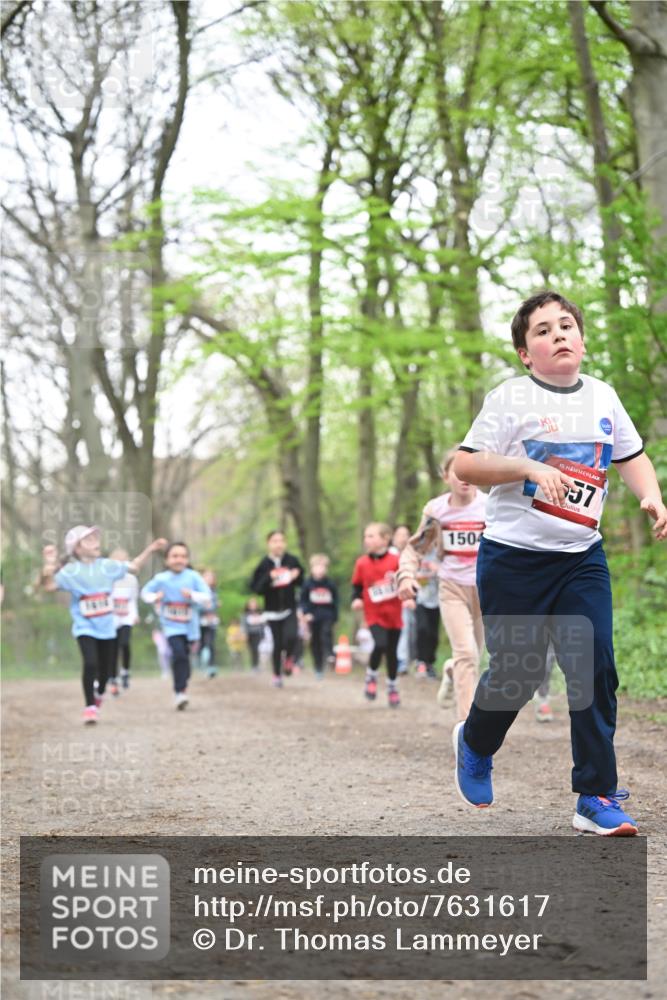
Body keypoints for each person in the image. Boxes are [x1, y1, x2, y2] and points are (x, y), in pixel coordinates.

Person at [450, 290, 667, 835]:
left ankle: (594, 795)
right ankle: (475, 741)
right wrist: (524, 466)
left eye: (565, 325)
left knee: (594, 666)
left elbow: (630, 455)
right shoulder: (510, 400)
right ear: (525, 352)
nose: (558, 335)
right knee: (518, 674)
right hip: (514, 560)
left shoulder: (602, 397)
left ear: (583, 338)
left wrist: (652, 496)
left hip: (580, 559)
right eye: (542, 331)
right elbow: (464, 465)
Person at [39, 528, 165, 724]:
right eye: (88, 540)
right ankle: (90, 707)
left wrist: (151, 548)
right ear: (77, 548)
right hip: (84, 626)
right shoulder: (71, 572)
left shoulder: (107, 566)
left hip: (108, 627)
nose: (96, 541)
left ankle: (99, 694)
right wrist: (48, 563)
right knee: (90, 664)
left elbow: (134, 567)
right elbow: (48, 586)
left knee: (106, 673)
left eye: (96, 538)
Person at [398, 449, 487, 723]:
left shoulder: (490, 506)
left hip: (486, 591)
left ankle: (450, 670)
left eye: (471, 471)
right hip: (452, 589)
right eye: (458, 472)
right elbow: (416, 549)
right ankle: (467, 734)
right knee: (467, 655)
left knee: (473, 659)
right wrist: (406, 576)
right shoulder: (437, 511)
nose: (465, 478)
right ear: (445, 476)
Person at [141, 541, 212, 710]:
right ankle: (179, 692)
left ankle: (183, 684)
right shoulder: (161, 578)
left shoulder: (193, 577)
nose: (178, 559)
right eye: (174, 556)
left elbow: (207, 596)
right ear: (167, 560)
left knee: (185, 658)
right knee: (178, 654)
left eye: (182, 556)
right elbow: (144, 593)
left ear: (187, 560)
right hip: (171, 626)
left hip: (190, 627)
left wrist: (192, 595)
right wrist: (155, 597)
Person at [351, 522, 403, 708]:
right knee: (380, 644)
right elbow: (356, 585)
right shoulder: (362, 563)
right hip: (373, 614)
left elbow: (406, 581)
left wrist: (410, 597)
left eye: (371, 536)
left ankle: (392, 687)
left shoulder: (396, 560)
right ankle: (371, 676)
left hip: (395, 614)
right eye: (366, 536)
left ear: (385, 539)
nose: (367, 540)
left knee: (392, 653)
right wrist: (356, 598)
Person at [250, 531, 304, 688]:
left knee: (292, 636)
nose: (278, 544)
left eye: (281, 540)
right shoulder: (263, 564)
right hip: (272, 611)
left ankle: (289, 659)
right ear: (269, 544)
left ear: (285, 543)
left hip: (289, 607)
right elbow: (256, 588)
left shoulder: (292, 560)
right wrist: (270, 577)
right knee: (278, 644)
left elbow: (302, 581)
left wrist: (296, 576)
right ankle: (276, 675)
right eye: (274, 541)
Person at [299, 553, 339, 677]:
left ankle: (330, 655)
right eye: (317, 566)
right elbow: (303, 600)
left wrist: (335, 616)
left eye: (323, 567)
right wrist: (306, 613)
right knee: (315, 641)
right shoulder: (307, 584)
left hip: (327, 615)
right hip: (313, 616)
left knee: (326, 634)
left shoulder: (330, 584)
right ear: (312, 568)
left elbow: (336, 601)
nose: (320, 569)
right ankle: (318, 666)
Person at [108, 548, 139, 694]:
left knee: (124, 644)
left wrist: (135, 615)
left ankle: (125, 670)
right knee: (112, 649)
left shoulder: (131, 580)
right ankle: (113, 678)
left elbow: (133, 599)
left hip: (126, 616)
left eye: (123, 561)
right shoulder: (107, 578)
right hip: (111, 618)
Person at [413, 548, 441, 679]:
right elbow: (412, 574)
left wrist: (437, 570)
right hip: (421, 599)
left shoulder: (440, 552)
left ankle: (430, 663)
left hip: (438, 600)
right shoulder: (418, 553)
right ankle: (421, 661)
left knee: (433, 634)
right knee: (422, 629)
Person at [392, 524, 416, 674]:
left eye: (406, 534)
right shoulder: (387, 555)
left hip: (404, 599)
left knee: (406, 627)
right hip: (387, 600)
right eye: (400, 534)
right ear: (393, 538)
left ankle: (402, 660)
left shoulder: (413, 556)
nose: (403, 538)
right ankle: (391, 657)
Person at [199, 569, 220, 678]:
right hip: (200, 622)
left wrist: (214, 605)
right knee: (201, 644)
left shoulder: (214, 591)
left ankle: (211, 667)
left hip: (211, 623)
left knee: (211, 644)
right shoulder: (198, 590)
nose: (209, 579)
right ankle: (201, 665)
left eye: (211, 577)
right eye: (207, 577)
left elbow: (215, 604)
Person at [242, 597, 265, 672]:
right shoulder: (245, 614)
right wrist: (245, 634)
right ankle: (253, 665)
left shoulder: (260, 613)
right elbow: (244, 625)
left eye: (254, 604)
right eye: (251, 604)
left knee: (256, 649)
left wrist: (263, 634)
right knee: (252, 650)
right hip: (249, 634)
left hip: (257, 633)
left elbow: (263, 625)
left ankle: (256, 666)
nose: (253, 606)